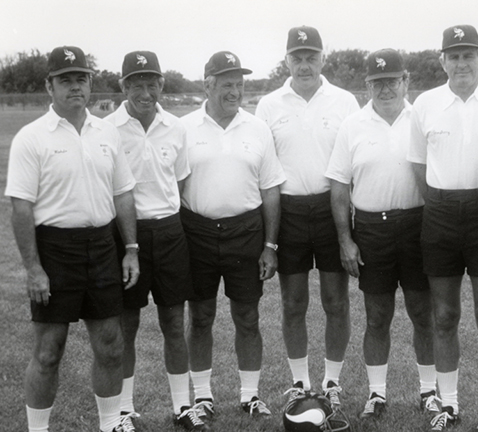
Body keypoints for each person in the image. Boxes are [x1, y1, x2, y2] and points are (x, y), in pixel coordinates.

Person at [5, 46, 140, 432]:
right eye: (65, 79)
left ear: (90, 83)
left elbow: (123, 194)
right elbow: (21, 208)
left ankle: (111, 424)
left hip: (102, 245)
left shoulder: (106, 132)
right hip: (54, 249)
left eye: (81, 78)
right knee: (49, 351)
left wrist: (130, 249)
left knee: (111, 344)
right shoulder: (32, 138)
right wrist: (33, 268)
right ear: (49, 86)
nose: (75, 86)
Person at [408, 25, 478, 431]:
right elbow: (418, 164)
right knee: (445, 315)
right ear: (442, 62)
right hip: (438, 214)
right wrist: (440, 202)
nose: (461, 63)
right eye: (453, 56)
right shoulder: (426, 103)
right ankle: (447, 403)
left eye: (469, 55)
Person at [326, 48, 438, 420]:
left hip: (417, 225)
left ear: (406, 81)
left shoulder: (421, 118)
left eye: (391, 80)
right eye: (376, 82)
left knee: (423, 313)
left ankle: (428, 391)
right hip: (372, 229)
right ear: (367, 85)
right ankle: (377, 393)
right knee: (377, 316)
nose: (384, 88)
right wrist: (345, 239)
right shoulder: (352, 125)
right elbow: (340, 187)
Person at [255, 25, 360, 407]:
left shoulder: (345, 101)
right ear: (286, 60)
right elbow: (264, 168)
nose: (304, 65)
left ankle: (331, 381)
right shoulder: (269, 104)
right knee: (293, 303)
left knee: (336, 301)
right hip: (290, 212)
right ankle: (300, 382)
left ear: (322, 58)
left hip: (332, 209)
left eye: (311, 57)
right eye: (296, 58)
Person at [104, 51, 207, 432]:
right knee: (126, 326)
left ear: (162, 84)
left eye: (152, 83)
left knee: (173, 323)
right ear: (123, 86)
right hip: (126, 235)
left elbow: (178, 181)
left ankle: (183, 406)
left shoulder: (176, 127)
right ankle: (125, 409)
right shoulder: (106, 128)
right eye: (136, 84)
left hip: (169, 231)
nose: (145, 92)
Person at [180, 51, 285, 420]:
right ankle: (203, 396)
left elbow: (271, 189)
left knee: (248, 317)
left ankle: (250, 396)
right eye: (227, 84)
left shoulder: (257, 128)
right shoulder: (186, 128)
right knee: (202, 316)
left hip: (246, 232)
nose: (235, 91)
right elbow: (174, 188)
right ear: (207, 84)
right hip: (198, 232)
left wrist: (270, 245)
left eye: (239, 84)